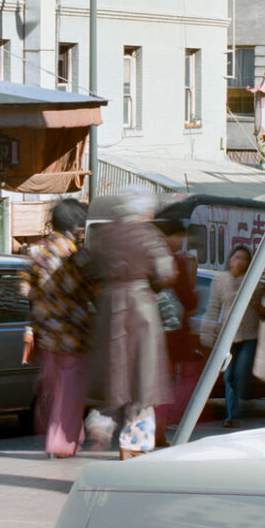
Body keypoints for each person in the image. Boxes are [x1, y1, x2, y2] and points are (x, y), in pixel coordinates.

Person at [85, 183, 173, 458]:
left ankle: (100, 423)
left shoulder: (103, 235)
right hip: (140, 308)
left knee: (114, 377)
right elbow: (165, 272)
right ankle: (134, 443)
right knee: (142, 381)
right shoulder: (149, 235)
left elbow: (88, 269)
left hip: (108, 309)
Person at [22, 196, 94, 457]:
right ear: (75, 224)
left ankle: (69, 435)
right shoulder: (77, 254)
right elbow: (93, 289)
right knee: (70, 390)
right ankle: (61, 441)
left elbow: (25, 290)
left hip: (45, 334)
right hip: (73, 335)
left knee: (53, 388)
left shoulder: (36, 252)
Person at [201, 244, 265, 425]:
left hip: (249, 335)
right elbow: (213, 307)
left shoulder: (254, 281)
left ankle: (242, 402)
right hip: (228, 336)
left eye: (243, 259)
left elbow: (260, 306)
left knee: (240, 373)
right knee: (228, 375)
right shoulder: (220, 281)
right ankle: (232, 416)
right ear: (230, 260)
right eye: (236, 257)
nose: (238, 262)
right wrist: (207, 332)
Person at [154, 214, 204, 431]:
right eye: (178, 237)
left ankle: (155, 426)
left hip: (151, 330)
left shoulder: (147, 260)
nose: (181, 241)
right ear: (168, 237)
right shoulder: (174, 262)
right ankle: (161, 425)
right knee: (168, 380)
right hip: (173, 332)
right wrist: (195, 298)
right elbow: (187, 297)